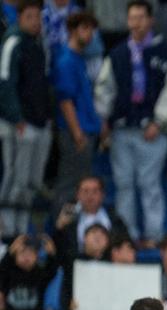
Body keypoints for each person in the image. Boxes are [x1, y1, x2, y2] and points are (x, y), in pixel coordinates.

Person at [94, 0, 167, 245]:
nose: (135, 23)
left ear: (151, 20)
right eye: (132, 18)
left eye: (140, 18)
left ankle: (154, 236)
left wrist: (159, 120)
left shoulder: (166, 52)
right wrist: (103, 119)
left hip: (152, 131)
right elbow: (105, 89)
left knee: (150, 185)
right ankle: (128, 235)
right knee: (124, 184)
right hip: (121, 130)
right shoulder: (117, 54)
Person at [0, 0, 52, 236]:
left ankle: (21, 229)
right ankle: (6, 230)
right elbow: (5, 83)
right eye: (30, 16)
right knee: (14, 179)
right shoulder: (13, 42)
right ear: (20, 18)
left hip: (39, 121)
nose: (35, 22)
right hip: (19, 124)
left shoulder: (38, 44)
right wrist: (15, 117)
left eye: (38, 17)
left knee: (31, 183)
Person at [51, 10, 101, 211]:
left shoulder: (79, 59)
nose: (89, 34)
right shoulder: (66, 61)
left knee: (79, 183)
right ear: (72, 31)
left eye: (91, 30)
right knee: (70, 185)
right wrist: (77, 132)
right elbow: (65, 101)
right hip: (75, 132)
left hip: (85, 129)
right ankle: (60, 231)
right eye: (84, 28)